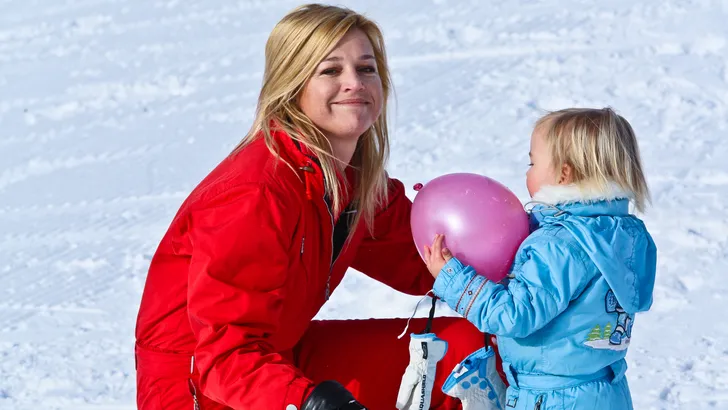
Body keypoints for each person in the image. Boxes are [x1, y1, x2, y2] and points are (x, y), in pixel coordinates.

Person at [134, 4, 497, 410]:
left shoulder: (352, 179)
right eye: (331, 70)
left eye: (366, 68)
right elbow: (224, 354)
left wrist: (536, 268)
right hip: (208, 388)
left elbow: (425, 259)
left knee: (471, 352)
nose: (354, 83)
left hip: (279, 355)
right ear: (292, 84)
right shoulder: (256, 194)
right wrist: (310, 402)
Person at [423, 107, 657, 409]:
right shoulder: (620, 236)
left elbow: (516, 315)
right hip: (607, 390)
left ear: (563, 175)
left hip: (553, 398)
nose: (527, 172)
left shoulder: (557, 246)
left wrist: (455, 280)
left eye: (532, 163)